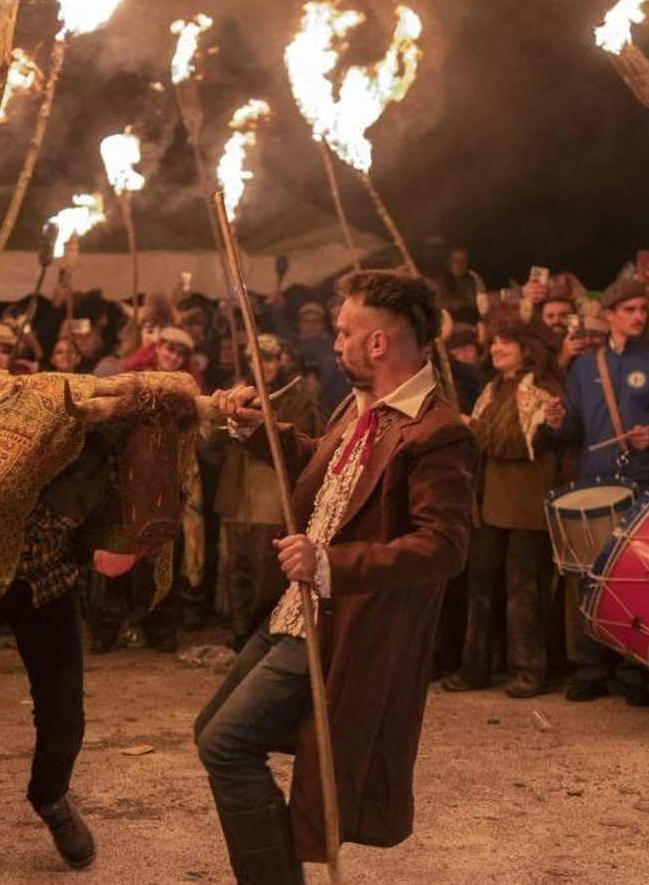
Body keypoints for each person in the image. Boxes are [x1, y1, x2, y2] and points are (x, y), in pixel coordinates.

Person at [195, 270, 476, 880]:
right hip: (293, 614)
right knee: (212, 731)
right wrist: (252, 429)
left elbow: (443, 546)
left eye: (346, 332)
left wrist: (330, 565)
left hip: (341, 625)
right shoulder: (359, 408)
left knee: (227, 744)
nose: (337, 342)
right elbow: (323, 474)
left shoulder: (436, 431)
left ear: (379, 344)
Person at [544, 278, 649, 706]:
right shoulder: (586, 367)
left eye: (643, 309)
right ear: (609, 316)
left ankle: (633, 673)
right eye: (630, 310)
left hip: (644, 483)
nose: (639, 317)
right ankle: (592, 668)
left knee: (634, 582)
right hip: (596, 481)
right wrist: (554, 421)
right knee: (592, 577)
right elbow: (574, 428)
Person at [444, 318, 562, 697]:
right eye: (493, 342)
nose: (495, 348)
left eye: (505, 342)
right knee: (479, 589)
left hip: (525, 507)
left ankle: (530, 670)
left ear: (526, 348)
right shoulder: (493, 388)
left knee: (523, 590)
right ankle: (475, 668)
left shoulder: (542, 391)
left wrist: (469, 425)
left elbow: (516, 443)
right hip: (488, 505)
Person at [213, 335, 324, 651]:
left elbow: (302, 441)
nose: (264, 365)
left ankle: (260, 638)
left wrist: (265, 417)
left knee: (266, 574)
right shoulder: (235, 393)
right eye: (257, 359)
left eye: (270, 359)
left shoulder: (298, 397)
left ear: (281, 361)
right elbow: (211, 447)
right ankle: (239, 636)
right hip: (237, 496)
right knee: (238, 571)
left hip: (270, 498)